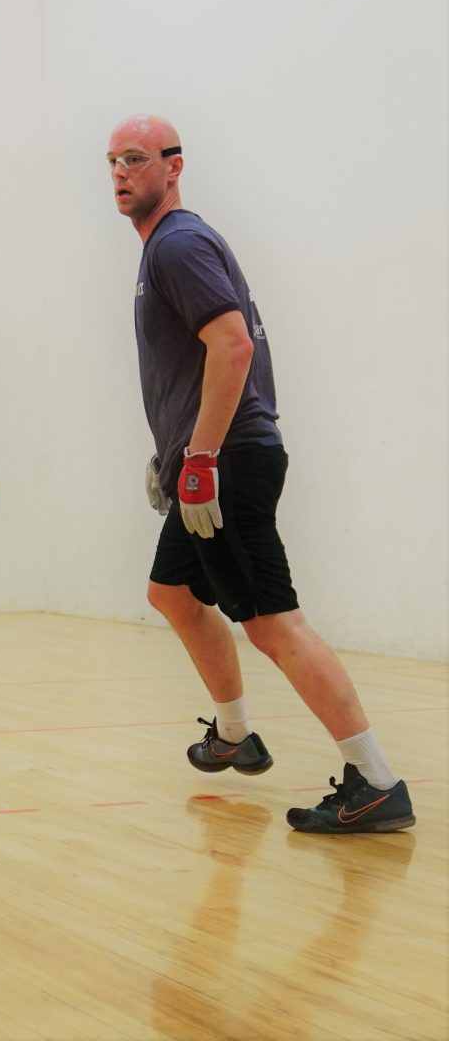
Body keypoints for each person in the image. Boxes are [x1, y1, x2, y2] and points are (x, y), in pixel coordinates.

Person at [107, 113, 414, 835]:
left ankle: (376, 782)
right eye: (113, 161)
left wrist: (200, 460)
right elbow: (199, 363)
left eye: (136, 158)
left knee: (273, 623)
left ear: (174, 166)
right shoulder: (170, 248)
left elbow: (233, 346)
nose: (120, 173)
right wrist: (173, 453)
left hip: (228, 463)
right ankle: (235, 734)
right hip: (212, 459)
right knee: (172, 593)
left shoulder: (177, 244)